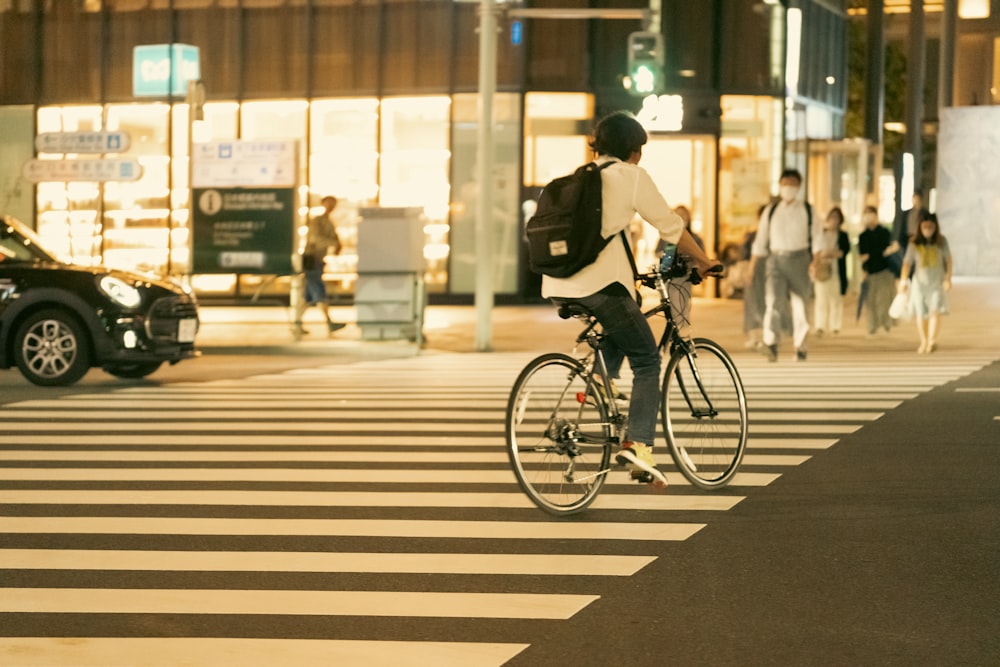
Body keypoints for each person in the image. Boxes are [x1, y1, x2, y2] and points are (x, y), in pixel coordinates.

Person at [541, 111, 719, 487]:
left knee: (629, 307)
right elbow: (670, 225)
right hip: (599, 288)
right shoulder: (630, 176)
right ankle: (638, 446)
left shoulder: (580, 178)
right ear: (634, 151)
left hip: (558, 285)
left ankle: (603, 379)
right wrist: (704, 261)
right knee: (648, 359)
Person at [750, 168, 819, 362]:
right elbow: (760, 240)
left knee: (801, 304)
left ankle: (801, 346)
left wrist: (816, 261)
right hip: (776, 260)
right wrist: (751, 268)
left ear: (798, 187)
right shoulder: (771, 211)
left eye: (792, 184)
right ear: (780, 186)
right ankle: (771, 343)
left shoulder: (808, 210)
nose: (788, 188)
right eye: (785, 184)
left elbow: (818, 238)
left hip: (800, 259)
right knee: (773, 301)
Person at [294, 195, 346, 338]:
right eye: (329, 203)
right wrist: (334, 243)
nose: (331, 206)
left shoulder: (327, 221)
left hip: (317, 259)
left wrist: (336, 244)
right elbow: (315, 239)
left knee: (308, 296)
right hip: (312, 259)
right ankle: (329, 322)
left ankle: (296, 323)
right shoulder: (317, 221)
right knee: (318, 290)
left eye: (333, 204)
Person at [900, 212, 952, 354]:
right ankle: (923, 340)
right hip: (919, 284)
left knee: (934, 311)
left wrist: (948, 278)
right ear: (920, 227)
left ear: (935, 227)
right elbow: (907, 263)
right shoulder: (914, 243)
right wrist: (903, 280)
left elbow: (948, 259)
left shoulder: (941, 242)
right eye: (925, 227)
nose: (928, 230)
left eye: (930, 226)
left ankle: (931, 340)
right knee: (921, 314)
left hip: (936, 282)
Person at [857, 204, 896, 336]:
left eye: (871, 214)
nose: (869, 217)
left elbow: (886, 251)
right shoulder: (862, 236)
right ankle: (872, 325)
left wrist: (871, 255)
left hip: (885, 270)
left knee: (884, 299)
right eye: (866, 215)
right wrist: (864, 269)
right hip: (870, 272)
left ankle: (885, 323)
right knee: (871, 300)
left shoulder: (884, 232)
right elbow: (862, 256)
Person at [812, 206, 851, 336]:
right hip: (822, 270)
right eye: (832, 218)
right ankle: (820, 326)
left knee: (836, 299)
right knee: (821, 299)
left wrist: (831, 254)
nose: (834, 221)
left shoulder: (843, 236)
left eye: (837, 218)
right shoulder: (820, 234)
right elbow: (816, 252)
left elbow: (843, 252)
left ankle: (835, 326)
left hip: (836, 271)